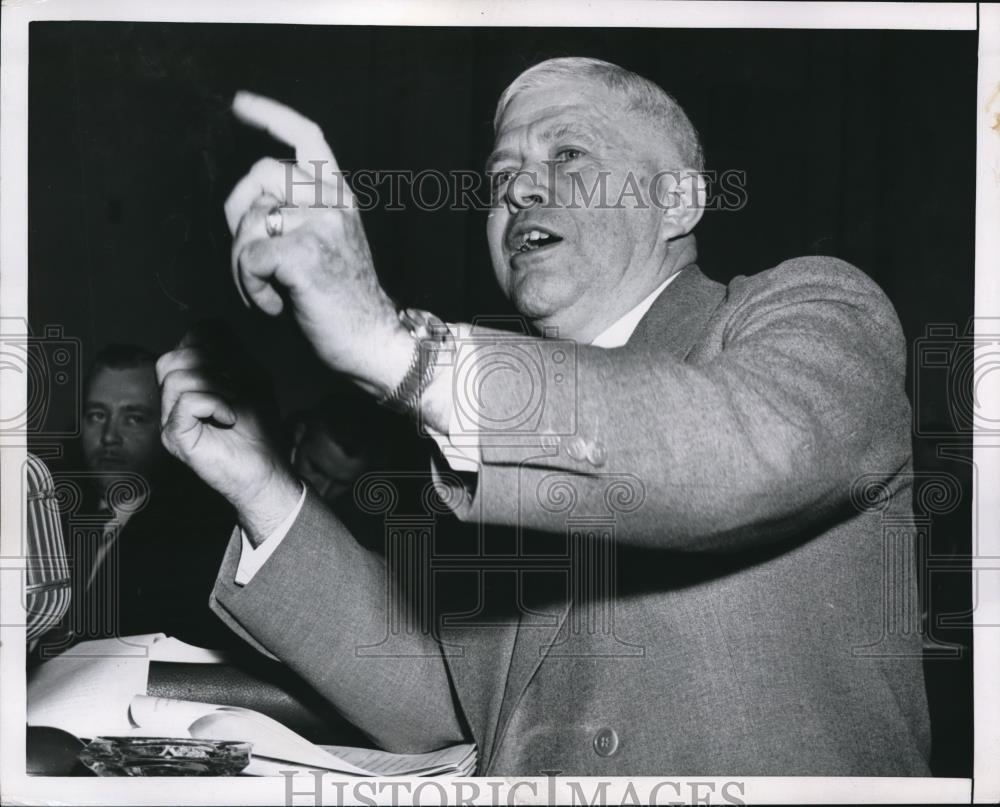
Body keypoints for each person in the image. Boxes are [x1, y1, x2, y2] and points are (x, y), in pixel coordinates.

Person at [158, 57, 931, 775]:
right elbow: (449, 707)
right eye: (502, 177)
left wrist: (397, 348)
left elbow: (744, 446)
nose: (520, 192)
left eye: (568, 157)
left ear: (678, 200)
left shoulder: (816, 309)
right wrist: (264, 487)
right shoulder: (472, 435)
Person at [42, 343, 238, 652]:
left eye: (133, 418)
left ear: (165, 426)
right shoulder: (46, 514)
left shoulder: (194, 539)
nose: (109, 437)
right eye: (96, 415)